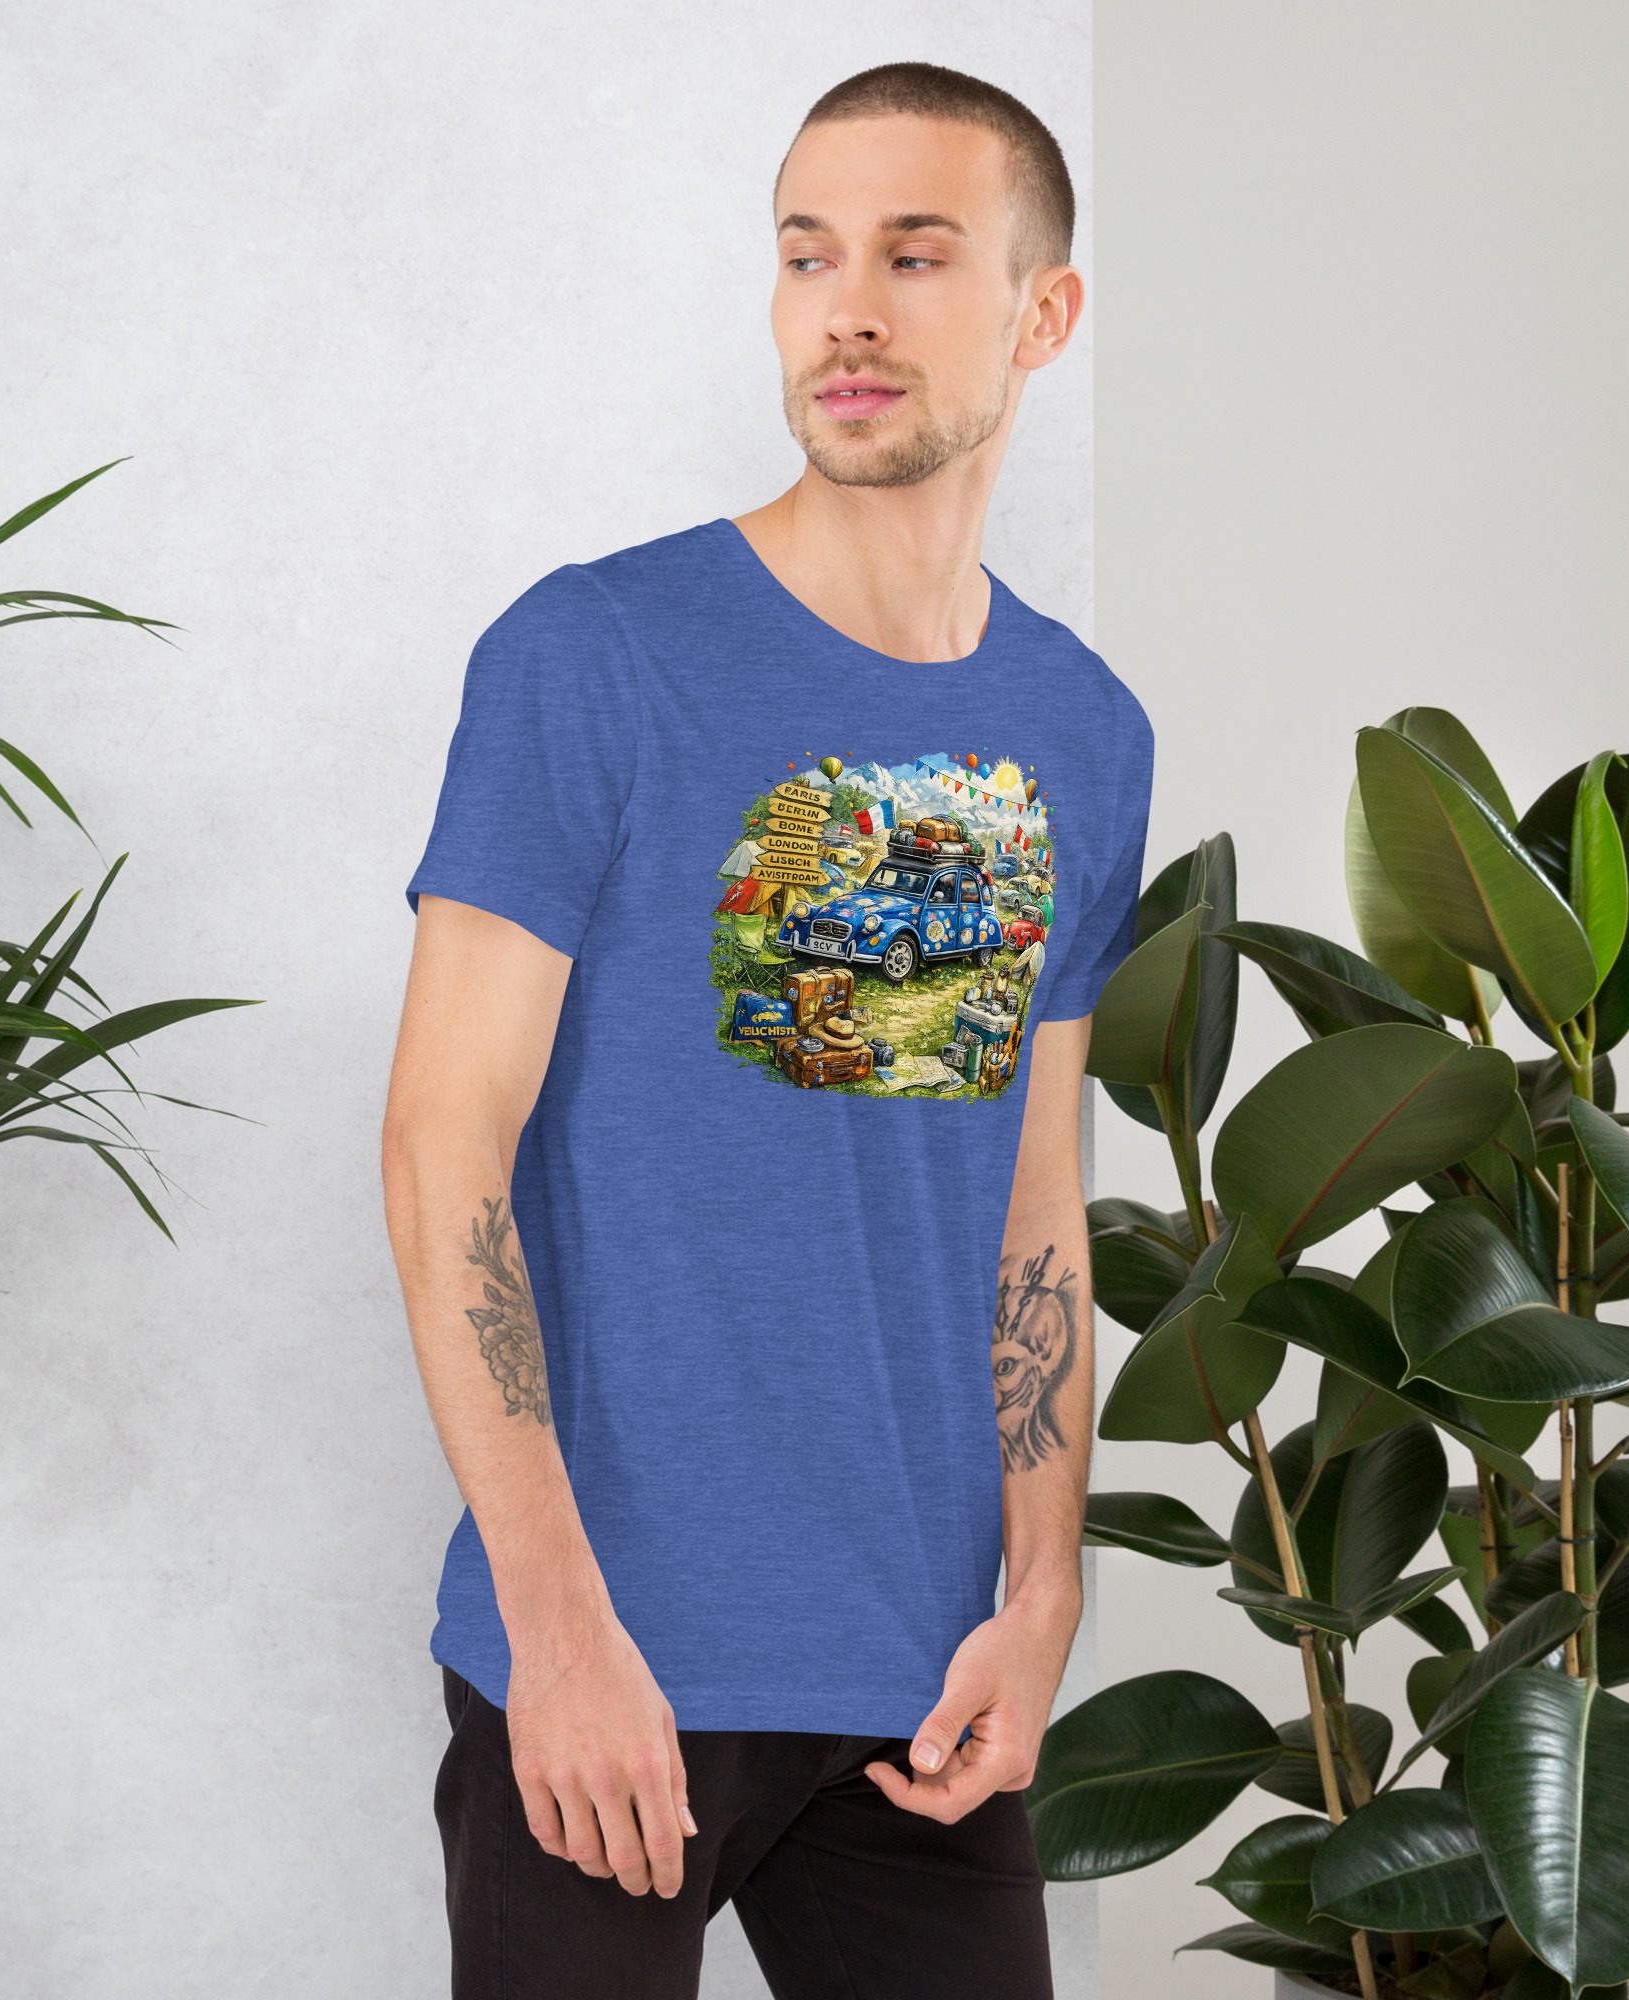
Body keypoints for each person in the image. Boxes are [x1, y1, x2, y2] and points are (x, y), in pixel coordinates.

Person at [382, 60, 1153, 2000]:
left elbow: (1033, 1198)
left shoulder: (1081, 731)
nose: (848, 310)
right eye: (809, 255)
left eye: (916, 254)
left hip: (920, 1683)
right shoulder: (593, 654)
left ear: (1042, 311)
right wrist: (555, 1626)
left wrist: (1041, 1592)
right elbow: (444, 1141)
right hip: (614, 1658)